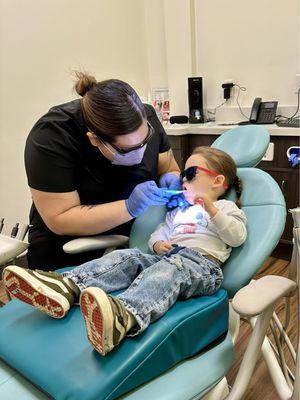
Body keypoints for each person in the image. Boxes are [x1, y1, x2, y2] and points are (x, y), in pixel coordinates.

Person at [4, 146, 247, 356]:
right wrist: (157, 244)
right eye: (183, 173)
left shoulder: (225, 208)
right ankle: (67, 286)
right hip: (167, 257)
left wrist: (212, 210)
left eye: (191, 173)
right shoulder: (178, 211)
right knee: (128, 256)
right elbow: (159, 232)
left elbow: (236, 236)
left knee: (170, 269)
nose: (183, 179)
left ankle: (124, 316)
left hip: (201, 265)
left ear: (218, 181)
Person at [24, 72, 181, 270]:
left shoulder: (147, 115)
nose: (141, 152)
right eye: (127, 149)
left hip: (137, 242)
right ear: (94, 139)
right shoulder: (53, 135)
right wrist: (129, 207)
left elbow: (167, 165)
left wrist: (171, 177)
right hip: (67, 251)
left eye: (145, 140)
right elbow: (60, 218)